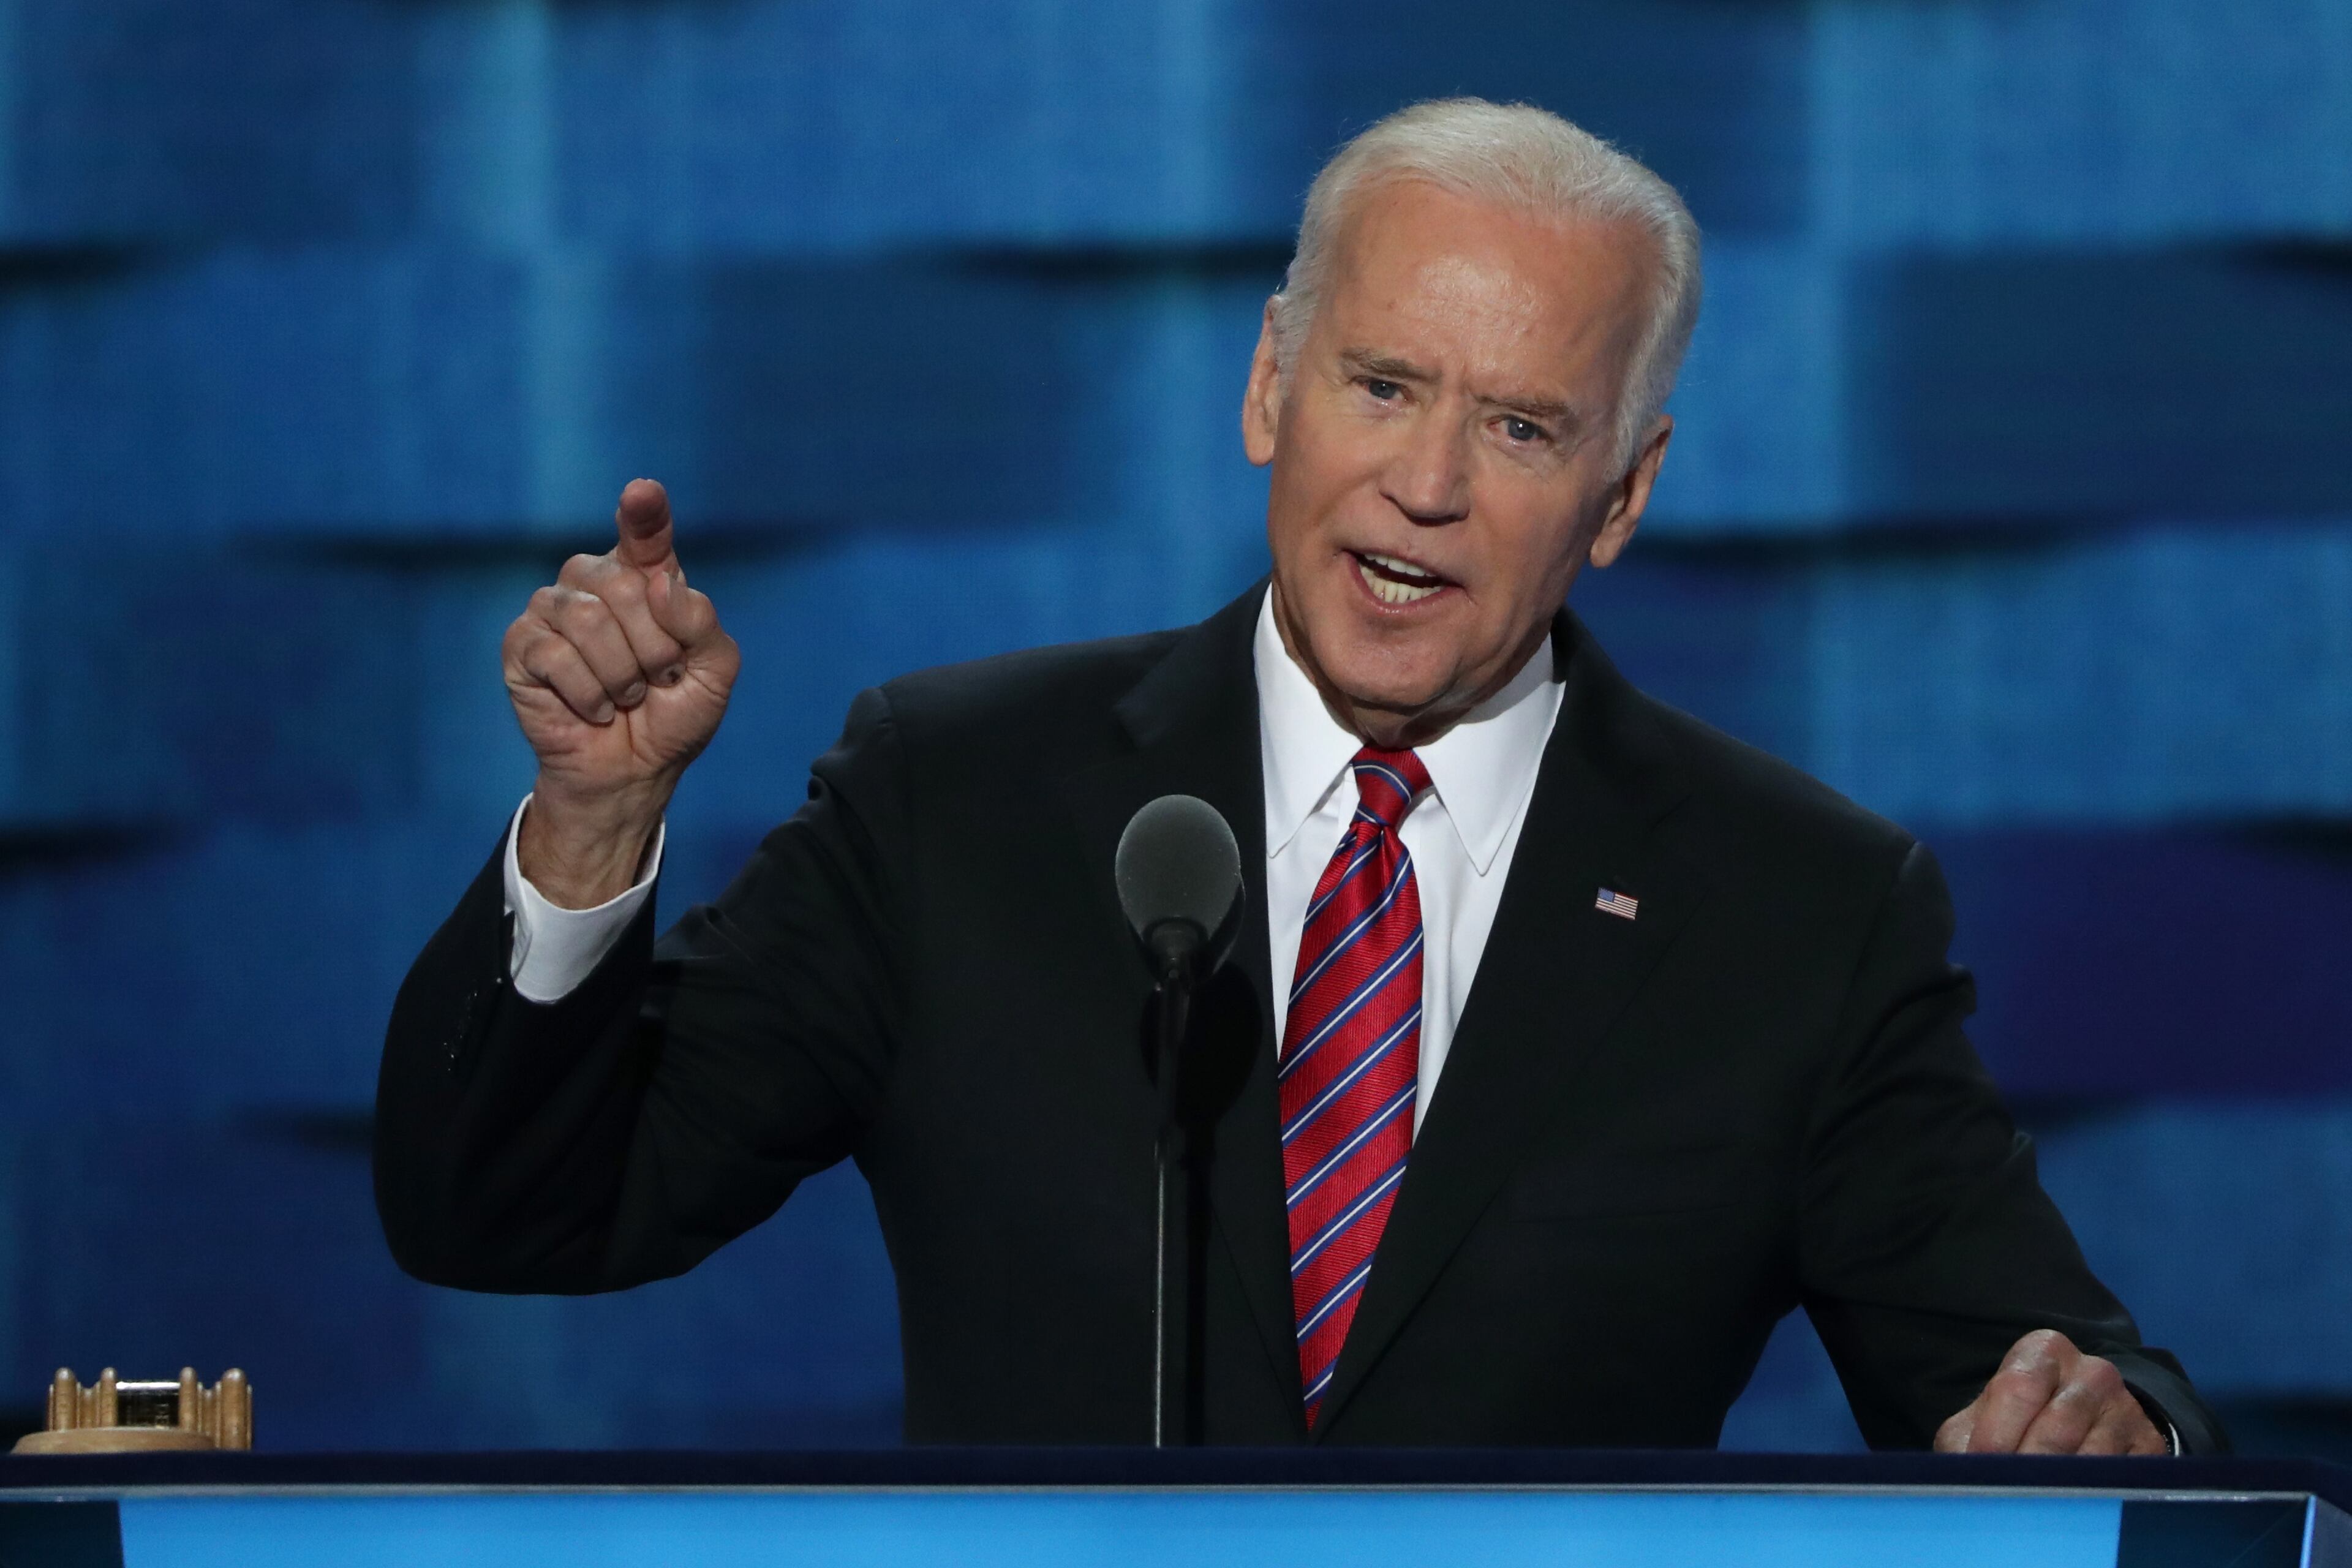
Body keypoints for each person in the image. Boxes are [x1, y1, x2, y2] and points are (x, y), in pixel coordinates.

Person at [375, 98, 2219, 1453]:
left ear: (1626, 494)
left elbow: (2070, 1391)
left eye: (1517, 427)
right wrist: (596, 829)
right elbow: (517, 1214)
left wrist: (2094, 1427)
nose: (1426, 483)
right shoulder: (959, 798)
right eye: (1382, 385)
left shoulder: (1797, 909)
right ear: (1271, 385)